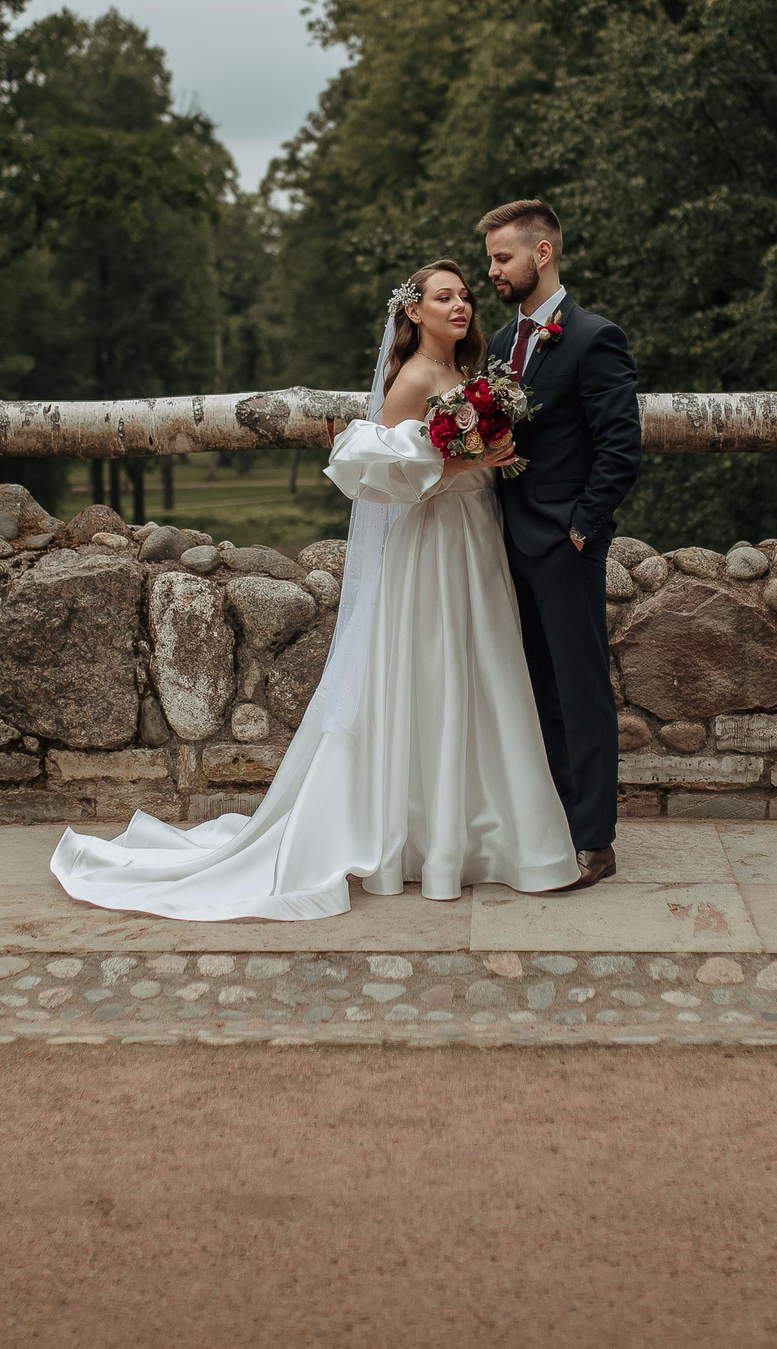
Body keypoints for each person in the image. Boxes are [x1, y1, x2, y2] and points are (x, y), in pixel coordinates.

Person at [49, 259, 581, 919]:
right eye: (445, 296)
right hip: (436, 543)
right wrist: (468, 458)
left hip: (475, 537)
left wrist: (488, 447)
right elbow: (376, 471)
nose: (461, 305)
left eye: (466, 295)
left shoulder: (467, 378)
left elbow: (458, 454)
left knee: (482, 673)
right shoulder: (415, 377)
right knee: (438, 672)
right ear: (414, 311)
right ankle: (433, 843)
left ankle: (475, 836)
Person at [481, 199, 642, 890]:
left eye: (502, 257)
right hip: (502, 546)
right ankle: (551, 824)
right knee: (534, 690)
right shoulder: (495, 344)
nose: (493, 270)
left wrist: (582, 529)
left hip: (564, 546)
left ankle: (594, 843)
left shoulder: (593, 337)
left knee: (580, 692)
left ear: (542, 253)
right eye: (490, 259)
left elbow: (620, 447)